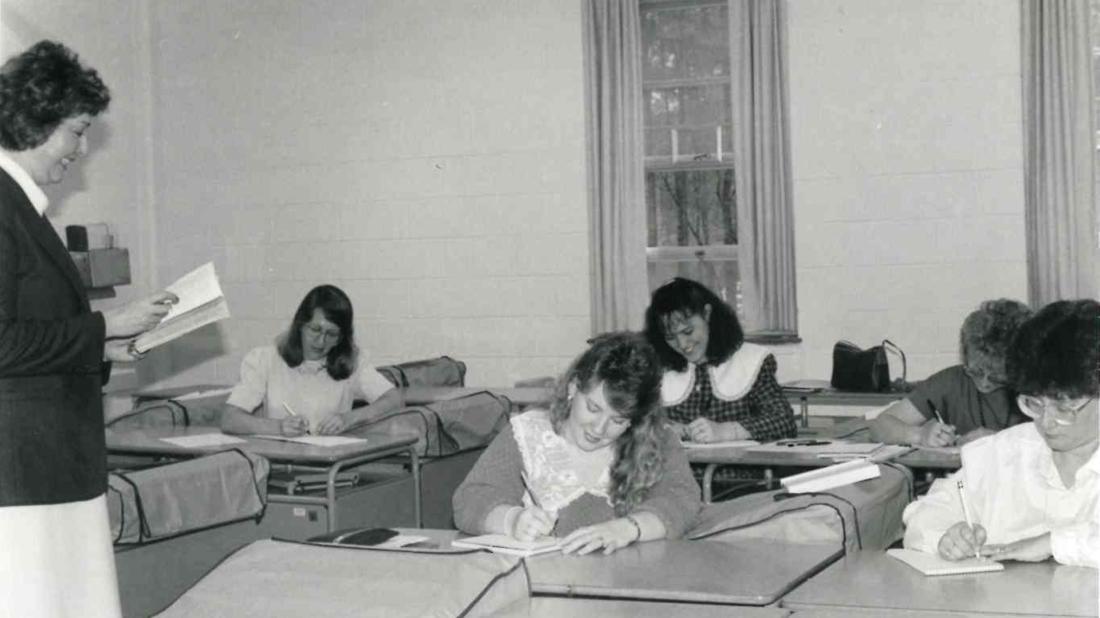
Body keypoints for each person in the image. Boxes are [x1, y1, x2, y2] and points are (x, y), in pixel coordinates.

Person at [0, 41, 177, 616]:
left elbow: (37, 336)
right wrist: (104, 326)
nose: (80, 150)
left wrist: (106, 347)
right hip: (22, 477)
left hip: (53, 467)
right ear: (37, 119)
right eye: (76, 131)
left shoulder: (24, 209)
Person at [452, 332, 702, 555]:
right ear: (573, 388)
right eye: (593, 408)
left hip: (632, 591)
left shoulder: (658, 440)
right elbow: (470, 500)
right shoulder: (528, 435)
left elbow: (682, 498)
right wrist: (513, 520)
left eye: (618, 420)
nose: (599, 428)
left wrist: (628, 528)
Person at [902, 299, 1099, 567]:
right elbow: (925, 513)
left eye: (1064, 407)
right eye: (1034, 403)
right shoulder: (1004, 452)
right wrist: (946, 537)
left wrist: (1052, 543)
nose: (1047, 421)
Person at [221, 284, 402, 436]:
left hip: (331, 467)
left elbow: (394, 400)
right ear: (300, 325)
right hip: (279, 465)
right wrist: (277, 427)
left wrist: (349, 419)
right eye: (315, 329)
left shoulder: (353, 363)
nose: (321, 341)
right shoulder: (264, 359)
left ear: (341, 338)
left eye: (331, 334)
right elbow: (230, 419)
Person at [643, 277, 796, 444]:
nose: (682, 344)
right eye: (671, 337)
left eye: (687, 331)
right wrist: (665, 428)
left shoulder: (751, 362)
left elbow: (784, 422)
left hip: (735, 469)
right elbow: (633, 419)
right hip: (674, 469)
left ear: (707, 314)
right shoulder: (658, 368)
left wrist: (729, 431)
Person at [869, 299, 1032, 447]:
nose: (984, 382)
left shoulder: (1038, 388)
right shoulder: (951, 382)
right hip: (962, 480)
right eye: (975, 371)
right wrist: (921, 435)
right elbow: (880, 425)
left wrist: (999, 442)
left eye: (997, 377)